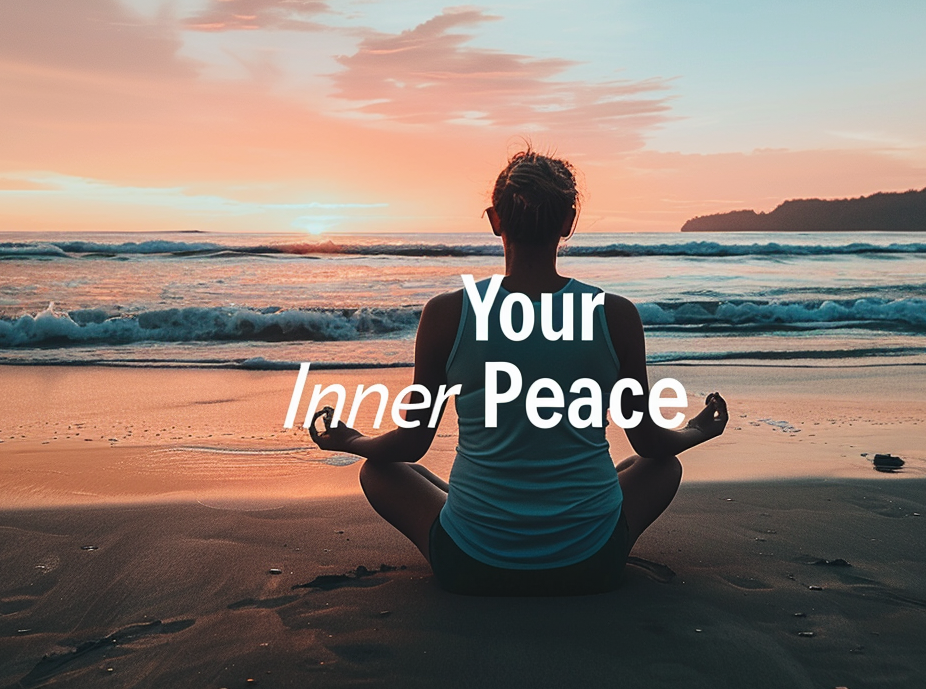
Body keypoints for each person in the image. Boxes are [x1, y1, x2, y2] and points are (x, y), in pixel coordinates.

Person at [308, 151, 729, 595]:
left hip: (470, 565)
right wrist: (697, 429)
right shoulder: (614, 315)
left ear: (494, 219)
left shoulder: (447, 313)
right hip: (590, 564)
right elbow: (650, 442)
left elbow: (412, 444)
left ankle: (488, 518)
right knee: (661, 467)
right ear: (568, 221)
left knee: (378, 470)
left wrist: (350, 440)